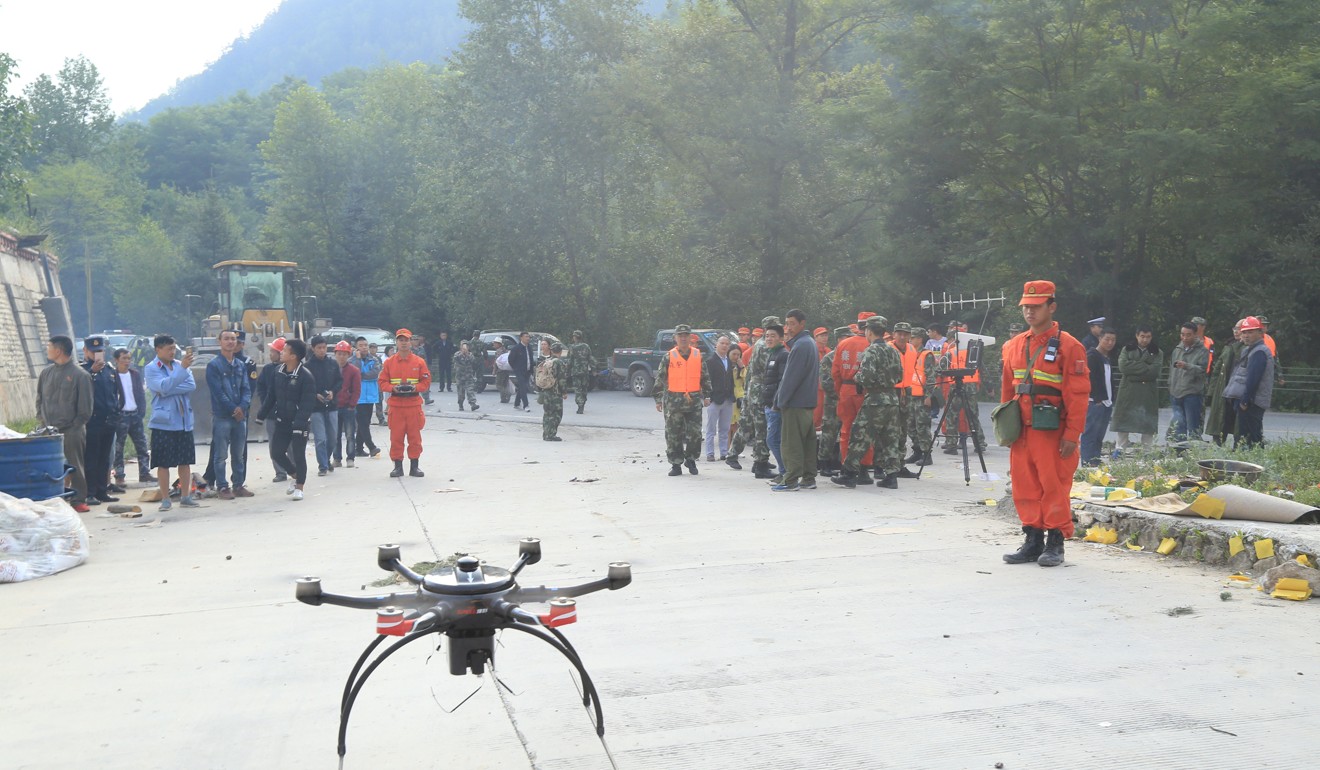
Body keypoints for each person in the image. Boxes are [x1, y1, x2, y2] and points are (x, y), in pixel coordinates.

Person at [1001, 280, 1090, 568]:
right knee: (1024, 486)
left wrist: (1072, 434)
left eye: (1036, 306)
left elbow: (1077, 395)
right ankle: (1032, 539)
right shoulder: (1013, 346)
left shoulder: (1070, 346)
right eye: (1026, 307)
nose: (1029, 312)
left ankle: (1055, 543)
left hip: (1052, 431)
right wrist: (1006, 425)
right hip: (1022, 431)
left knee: (1053, 486)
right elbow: (1007, 390)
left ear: (1051, 307)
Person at [831, 315, 904, 489]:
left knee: (860, 434)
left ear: (869, 331)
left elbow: (867, 377)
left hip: (875, 400)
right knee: (890, 438)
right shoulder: (892, 350)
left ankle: (849, 473)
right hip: (892, 399)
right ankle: (891, 476)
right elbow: (900, 375)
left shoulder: (871, 350)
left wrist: (858, 377)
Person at [36, 335, 94, 512]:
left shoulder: (80, 375)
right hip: (48, 430)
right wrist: (42, 420)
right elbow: (39, 399)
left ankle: (78, 499)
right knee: (48, 466)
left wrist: (76, 425)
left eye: (49, 347)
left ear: (58, 350)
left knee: (75, 465)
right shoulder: (46, 373)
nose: (47, 350)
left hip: (72, 430)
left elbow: (85, 408)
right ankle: (53, 497)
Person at [145, 335, 200, 512]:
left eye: (174, 348)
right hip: (164, 422)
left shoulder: (178, 365)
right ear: (158, 350)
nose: (172, 352)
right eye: (168, 348)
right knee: (163, 463)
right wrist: (178, 375)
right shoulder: (152, 368)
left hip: (183, 421)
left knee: (185, 461)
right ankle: (166, 499)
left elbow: (190, 386)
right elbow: (162, 387)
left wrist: (169, 387)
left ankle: (185, 496)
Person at [257, 338, 316, 501]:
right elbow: (271, 396)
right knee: (276, 452)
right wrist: (261, 415)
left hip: (299, 424)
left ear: (294, 356)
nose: (281, 352)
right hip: (282, 421)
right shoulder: (278, 372)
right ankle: (296, 475)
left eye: (284, 350)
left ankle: (300, 487)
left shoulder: (306, 376)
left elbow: (307, 403)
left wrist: (300, 422)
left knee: (298, 454)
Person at [653, 324, 712, 476]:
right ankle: (676, 464)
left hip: (693, 400)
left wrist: (707, 395)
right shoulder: (669, 356)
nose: (683, 338)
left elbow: (705, 377)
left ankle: (691, 460)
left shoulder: (697, 355)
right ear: (675, 338)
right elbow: (660, 378)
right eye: (680, 336)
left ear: (690, 337)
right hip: (674, 401)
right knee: (673, 433)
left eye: (686, 335)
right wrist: (658, 399)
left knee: (695, 434)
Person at [773, 309, 820, 491]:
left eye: (792, 324)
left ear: (802, 324)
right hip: (807, 403)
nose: (789, 328)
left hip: (795, 403)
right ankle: (809, 478)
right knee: (807, 444)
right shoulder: (809, 343)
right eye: (787, 324)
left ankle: (791, 480)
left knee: (791, 443)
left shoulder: (800, 346)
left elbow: (790, 378)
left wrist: (780, 402)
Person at [726, 316, 779, 477]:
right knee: (762, 426)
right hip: (760, 390)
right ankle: (760, 462)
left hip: (752, 389)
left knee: (747, 424)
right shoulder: (765, 346)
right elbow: (767, 370)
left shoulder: (759, 344)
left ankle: (735, 455)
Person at [205, 329, 253, 499]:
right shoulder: (214, 366)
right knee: (221, 455)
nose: (230, 342)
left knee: (239, 455)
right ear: (220, 342)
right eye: (226, 339)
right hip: (223, 416)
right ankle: (223, 487)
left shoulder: (240, 365)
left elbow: (246, 389)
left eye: (233, 339)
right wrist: (235, 409)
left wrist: (243, 407)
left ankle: (238, 485)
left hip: (240, 417)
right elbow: (218, 393)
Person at [379, 329, 431, 477]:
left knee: (415, 438)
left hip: (413, 404)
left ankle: (414, 467)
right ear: (396, 342)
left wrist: (416, 387)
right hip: (396, 405)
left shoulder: (419, 362)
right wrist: (393, 388)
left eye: (406, 340)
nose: (403, 343)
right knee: (396, 438)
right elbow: (382, 382)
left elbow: (426, 381)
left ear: (411, 342)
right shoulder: (389, 363)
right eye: (401, 340)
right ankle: (398, 467)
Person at [833, 312, 877, 484]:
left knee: (847, 431)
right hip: (866, 391)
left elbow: (835, 372)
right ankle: (864, 471)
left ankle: (847, 469)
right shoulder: (874, 345)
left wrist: (841, 390)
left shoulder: (843, 344)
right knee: (867, 431)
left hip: (846, 390)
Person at [81, 337, 122, 506]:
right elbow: (81, 390)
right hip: (93, 420)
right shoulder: (83, 371)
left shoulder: (110, 370)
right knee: (91, 458)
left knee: (105, 459)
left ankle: (101, 490)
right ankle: (89, 493)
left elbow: (114, 393)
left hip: (109, 420)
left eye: (100, 351)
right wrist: (92, 371)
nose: (97, 354)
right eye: (93, 351)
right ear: (85, 351)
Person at [1223, 316, 1273, 449]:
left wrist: (1245, 400)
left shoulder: (1259, 351)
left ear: (1259, 332)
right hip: (1249, 401)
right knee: (1248, 436)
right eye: (1244, 332)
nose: (1246, 335)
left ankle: (1253, 464)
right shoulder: (1250, 349)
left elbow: (1253, 379)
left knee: (1251, 438)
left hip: (1252, 402)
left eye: (1250, 332)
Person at [1110, 327, 1162, 452]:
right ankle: (1120, 449)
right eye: (1142, 336)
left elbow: (1154, 372)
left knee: (1147, 422)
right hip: (1128, 391)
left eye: (1148, 336)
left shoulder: (1157, 352)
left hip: (1147, 392)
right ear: (1137, 336)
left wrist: (1133, 371)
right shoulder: (1127, 349)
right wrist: (1145, 366)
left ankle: (1147, 451)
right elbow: (1123, 367)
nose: (1145, 339)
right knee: (1124, 421)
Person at [110, 348, 151, 487]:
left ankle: (145, 473)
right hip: (121, 416)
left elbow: (140, 393)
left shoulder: (134, 374)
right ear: (116, 360)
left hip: (135, 414)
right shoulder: (112, 376)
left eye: (129, 358)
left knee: (142, 445)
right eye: (124, 359)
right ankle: (119, 476)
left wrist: (141, 412)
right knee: (119, 448)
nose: (127, 361)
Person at [304, 336, 342, 476]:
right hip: (315, 407)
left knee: (332, 437)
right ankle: (323, 466)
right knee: (320, 438)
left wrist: (333, 392)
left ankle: (326, 458)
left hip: (331, 405)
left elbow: (339, 381)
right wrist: (315, 395)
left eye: (324, 348)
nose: (322, 350)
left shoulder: (332, 364)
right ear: (313, 349)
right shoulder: (307, 367)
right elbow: (305, 386)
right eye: (319, 348)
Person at [1080, 328, 1118, 465]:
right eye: (1107, 339)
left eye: (1113, 340)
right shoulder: (1092, 356)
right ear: (1100, 339)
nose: (1110, 343)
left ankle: (1095, 461)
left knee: (1099, 435)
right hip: (1095, 402)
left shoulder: (1106, 358)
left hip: (1107, 403)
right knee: (1090, 433)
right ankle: (1087, 463)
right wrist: (1097, 399)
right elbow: (1090, 379)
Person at [1168, 322, 1210, 443]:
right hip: (1175, 393)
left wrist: (1187, 366)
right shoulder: (1177, 349)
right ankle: (1179, 451)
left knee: (1193, 427)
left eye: (1188, 335)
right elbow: (1171, 369)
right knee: (1178, 425)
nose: (1185, 338)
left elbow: (1202, 370)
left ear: (1195, 334)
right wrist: (1170, 385)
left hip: (1192, 393)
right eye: (1182, 334)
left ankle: (1194, 451)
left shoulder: (1202, 350)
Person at [1206, 321, 1245, 447]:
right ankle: (1217, 452)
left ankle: (1237, 452)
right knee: (1219, 424)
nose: (1236, 331)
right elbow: (1217, 370)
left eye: (1240, 329)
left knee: (1239, 428)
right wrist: (1211, 392)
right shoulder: (1228, 346)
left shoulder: (1248, 348)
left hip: (1238, 393)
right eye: (1235, 328)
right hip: (1223, 390)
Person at [256, 338, 290, 481]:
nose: (270, 354)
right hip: (272, 414)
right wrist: (266, 404)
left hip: (289, 414)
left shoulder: (294, 369)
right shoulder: (268, 369)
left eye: (273, 351)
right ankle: (280, 472)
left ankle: (293, 468)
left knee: (292, 444)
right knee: (274, 444)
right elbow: (262, 388)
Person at [905, 326, 938, 467]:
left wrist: (928, 395)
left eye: (912, 338)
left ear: (919, 339)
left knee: (922, 426)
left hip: (922, 395)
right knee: (910, 425)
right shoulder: (909, 352)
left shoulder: (926, 355)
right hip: (910, 394)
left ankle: (926, 454)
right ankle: (917, 451)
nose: (909, 340)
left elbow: (931, 376)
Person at [817, 326, 849, 476]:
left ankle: (845, 463)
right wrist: (840, 394)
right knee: (829, 433)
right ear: (839, 339)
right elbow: (825, 382)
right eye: (845, 338)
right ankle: (824, 463)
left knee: (847, 433)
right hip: (833, 402)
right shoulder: (829, 358)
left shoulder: (852, 356)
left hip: (849, 402)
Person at [761, 325, 789, 481]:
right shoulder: (772, 354)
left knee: (773, 440)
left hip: (776, 406)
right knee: (774, 439)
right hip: (769, 404)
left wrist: (776, 404)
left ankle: (785, 471)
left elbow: (782, 382)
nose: (769, 339)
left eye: (772, 336)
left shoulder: (783, 355)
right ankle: (784, 471)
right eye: (767, 336)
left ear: (781, 338)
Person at [704, 334, 736, 461]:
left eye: (727, 344)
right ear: (716, 345)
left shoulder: (728, 360)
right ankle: (710, 453)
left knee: (725, 428)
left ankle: (724, 452)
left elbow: (730, 379)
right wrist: (707, 396)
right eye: (722, 343)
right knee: (711, 429)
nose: (724, 346)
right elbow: (706, 380)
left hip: (727, 399)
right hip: (715, 399)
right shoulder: (710, 361)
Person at [333, 341, 362, 468]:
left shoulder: (354, 371)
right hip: (334, 407)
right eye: (339, 354)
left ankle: (350, 457)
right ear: (335, 354)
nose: (341, 357)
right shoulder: (331, 369)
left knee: (350, 434)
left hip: (348, 407)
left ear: (348, 355)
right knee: (335, 435)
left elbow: (356, 390)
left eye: (344, 354)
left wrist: (352, 404)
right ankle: (336, 458)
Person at [352, 337, 381, 459]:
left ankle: (358, 449)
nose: (364, 347)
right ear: (356, 347)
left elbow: (375, 374)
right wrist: (358, 360)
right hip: (358, 396)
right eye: (361, 345)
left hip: (371, 396)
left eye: (365, 345)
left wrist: (362, 375)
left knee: (365, 423)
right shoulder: (352, 360)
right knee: (363, 423)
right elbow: (355, 373)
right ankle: (371, 446)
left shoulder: (374, 359)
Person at [537, 341, 569, 440]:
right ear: (560, 351)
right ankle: (551, 435)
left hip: (546, 390)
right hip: (555, 393)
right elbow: (562, 379)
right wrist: (564, 392)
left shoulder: (547, 361)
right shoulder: (559, 362)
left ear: (551, 350)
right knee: (556, 414)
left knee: (547, 413)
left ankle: (546, 434)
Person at [568, 330, 593, 414]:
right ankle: (583, 402)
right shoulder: (586, 346)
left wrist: (567, 370)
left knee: (578, 389)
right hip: (585, 372)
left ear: (575, 337)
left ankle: (580, 405)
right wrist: (594, 369)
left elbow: (570, 360)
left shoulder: (572, 347)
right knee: (584, 388)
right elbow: (590, 358)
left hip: (576, 372)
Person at [452, 342, 481, 411]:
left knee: (470, 390)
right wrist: (462, 353)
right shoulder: (457, 354)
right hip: (460, 377)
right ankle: (460, 405)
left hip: (469, 376)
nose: (465, 349)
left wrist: (467, 354)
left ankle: (473, 404)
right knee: (461, 393)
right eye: (463, 347)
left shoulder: (470, 355)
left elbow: (473, 361)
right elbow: (455, 359)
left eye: (466, 347)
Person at [510, 331, 534, 411]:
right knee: (523, 387)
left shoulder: (529, 347)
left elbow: (531, 359)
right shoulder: (516, 348)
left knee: (522, 387)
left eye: (528, 337)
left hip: (527, 371)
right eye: (526, 336)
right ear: (521, 338)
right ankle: (526, 405)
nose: (528, 338)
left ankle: (516, 403)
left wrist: (531, 370)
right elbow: (511, 359)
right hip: (519, 371)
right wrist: (516, 368)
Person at [411, 334, 434, 405]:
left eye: (417, 340)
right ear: (411, 341)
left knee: (424, 383)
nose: (416, 341)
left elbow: (424, 358)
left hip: (421, 368)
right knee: (413, 385)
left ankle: (427, 399)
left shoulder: (421, 349)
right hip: (412, 369)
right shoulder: (408, 349)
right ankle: (412, 399)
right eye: (414, 340)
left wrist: (425, 367)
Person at [370, 343, 387, 425]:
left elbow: (381, 370)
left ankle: (381, 419)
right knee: (369, 403)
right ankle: (367, 419)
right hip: (370, 383)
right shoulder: (367, 358)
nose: (373, 350)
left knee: (379, 402)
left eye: (374, 348)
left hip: (378, 382)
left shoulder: (378, 359)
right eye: (371, 348)